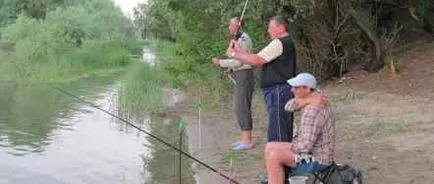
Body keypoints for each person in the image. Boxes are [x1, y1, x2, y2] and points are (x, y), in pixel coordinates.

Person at [229, 15, 296, 142]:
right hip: (281, 90)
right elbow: (257, 59)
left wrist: (234, 53)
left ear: (281, 27)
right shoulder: (287, 41)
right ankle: (281, 157)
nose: (268, 30)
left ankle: (279, 158)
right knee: (281, 126)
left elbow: (257, 60)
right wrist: (238, 52)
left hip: (278, 91)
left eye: (271, 27)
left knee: (278, 129)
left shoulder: (278, 43)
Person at [265, 73, 336, 184]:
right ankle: (275, 179)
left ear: (307, 89)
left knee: (274, 155)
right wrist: (307, 101)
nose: (292, 90)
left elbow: (305, 147)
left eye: (296, 87)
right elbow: (288, 107)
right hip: (315, 151)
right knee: (270, 146)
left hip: (319, 159)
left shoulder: (312, 111)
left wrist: (287, 149)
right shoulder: (315, 97)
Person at [211, 17, 256, 151]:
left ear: (238, 25)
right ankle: (244, 138)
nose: (229, 28)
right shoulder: (238, 39)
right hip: (241, 74)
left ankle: (247, 141)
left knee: (242, 107)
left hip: (245, 75)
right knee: (239, 107)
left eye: (231, 25)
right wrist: (230, 68)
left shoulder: (244, 39)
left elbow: (239, 61)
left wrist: (220, 63)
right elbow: (236, 60)